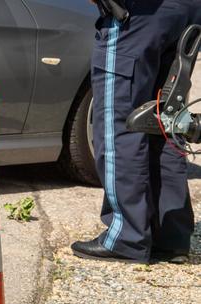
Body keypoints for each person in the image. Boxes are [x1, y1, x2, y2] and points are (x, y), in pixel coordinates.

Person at [72, 0, 201, 263]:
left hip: (136, 14)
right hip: (185, 11)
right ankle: (171, 235)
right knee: (164, 120)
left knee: (119, 124)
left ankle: (126, 237)